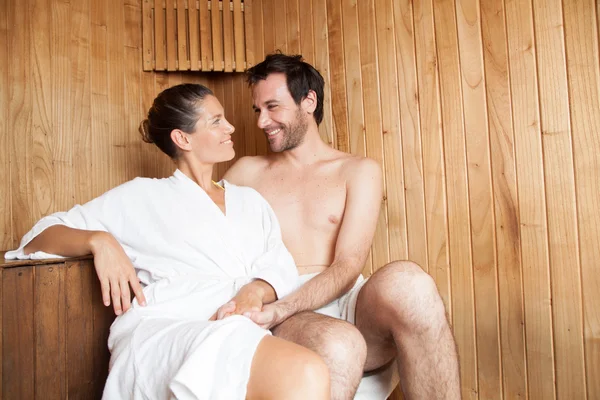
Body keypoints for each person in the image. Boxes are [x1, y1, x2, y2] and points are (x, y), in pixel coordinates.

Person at [5, 83, 330, 400]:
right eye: (216, 121)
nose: (230, 126)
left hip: (238, 324)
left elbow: (278, 264)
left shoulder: (249, 201)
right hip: (168, 328)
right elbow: (37, 238)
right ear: (182, 138)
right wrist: (98, 239)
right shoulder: (143, 196)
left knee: (307, 371)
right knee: (305, 371)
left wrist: (254, 291)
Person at [224, 54, 461, 400]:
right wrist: (110, 240)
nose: (262, 122)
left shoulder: (358, 171)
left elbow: (348, 265)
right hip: (281, 302)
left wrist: (283, 308)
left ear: (309, 101)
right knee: (337, 342)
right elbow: (189, 224)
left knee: (412, 285)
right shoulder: (245, 173)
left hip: (345, 301)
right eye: (257, 110)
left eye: (272, 107)